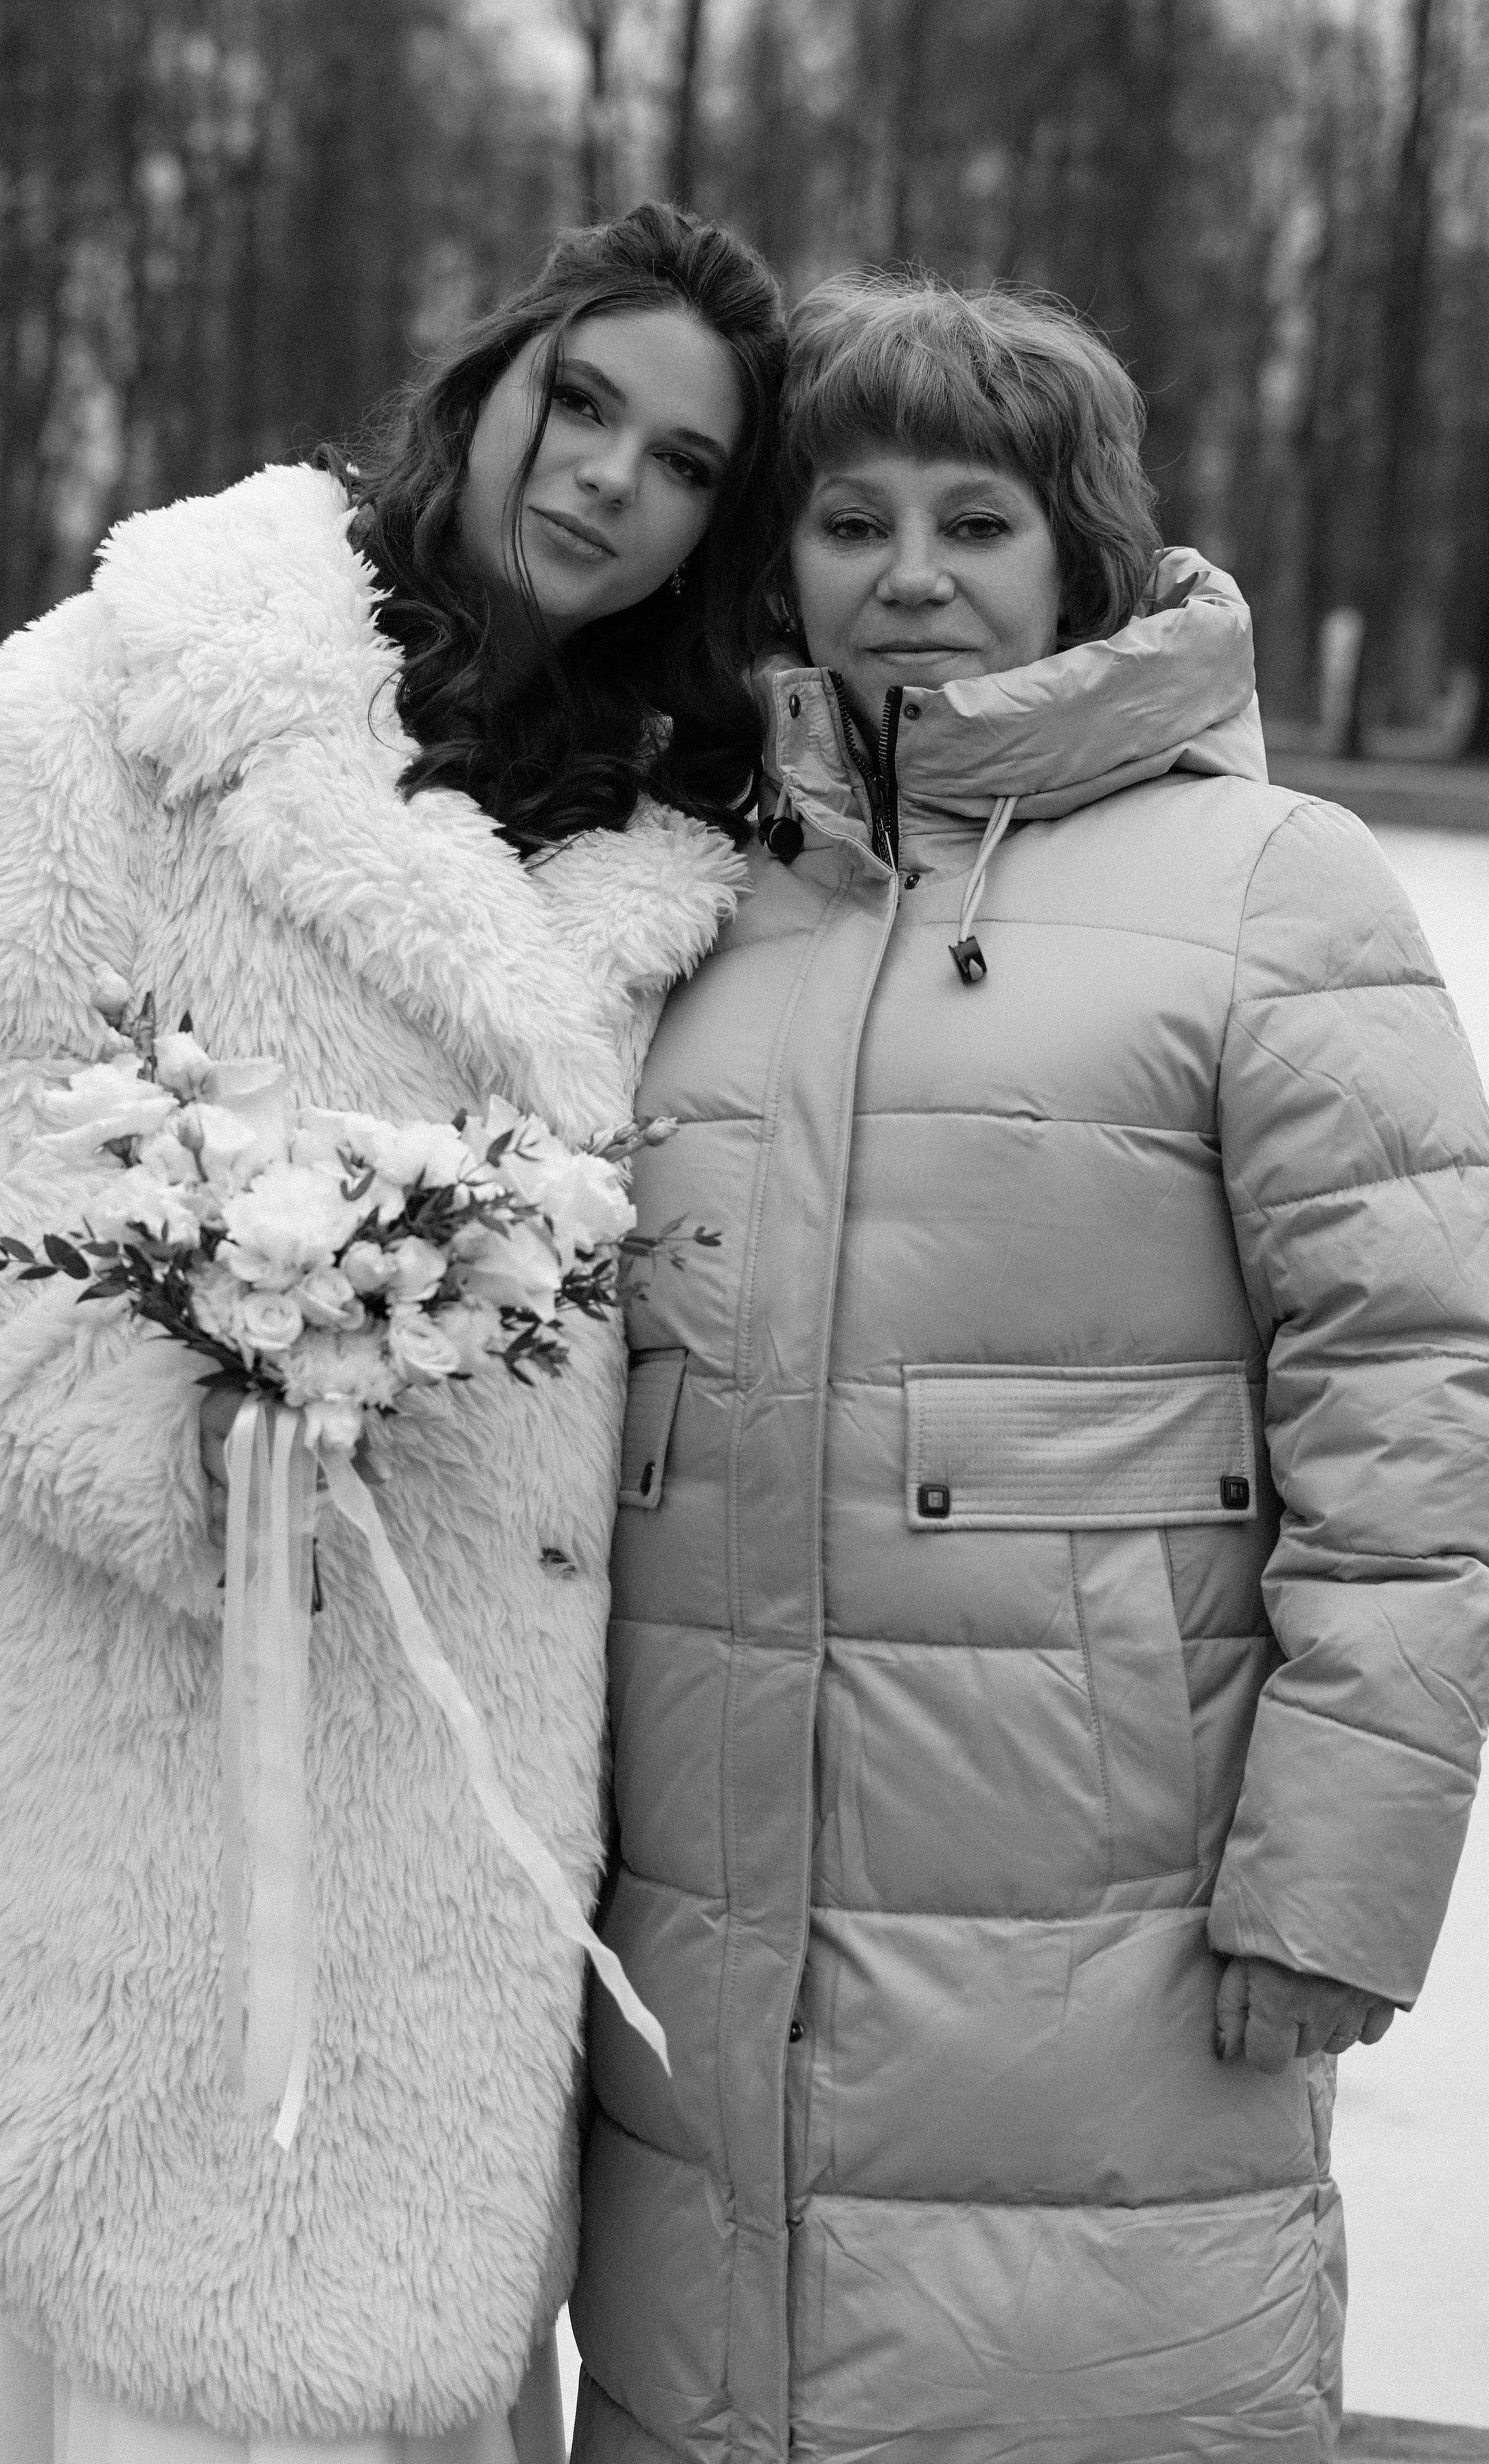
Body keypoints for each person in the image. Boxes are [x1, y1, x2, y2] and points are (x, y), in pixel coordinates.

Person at [0, 202, 784, 2464]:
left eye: (692, 461)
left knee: (449, 2374)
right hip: (161, 1745)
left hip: (516, 1814)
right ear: (488, 377)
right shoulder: (124, 704)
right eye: (587, 399)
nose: (614, 474)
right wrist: (213, 1406)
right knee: (174, 2373)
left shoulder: (694, 832)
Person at [573, 269, 1489, 2464]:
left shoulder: (1275, 888)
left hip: (1113, 1931)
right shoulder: (692, 896)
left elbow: (1417, 1403)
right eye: (850, 519)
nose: (908, 579)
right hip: (694, 1939)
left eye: (973, 523)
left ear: (1081, 549)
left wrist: (1338, 1875)